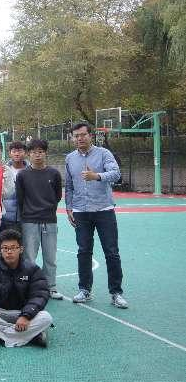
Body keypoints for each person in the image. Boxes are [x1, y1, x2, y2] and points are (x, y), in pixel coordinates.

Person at [64, 122, 128, 308]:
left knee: (111, 252)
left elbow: (116, 174)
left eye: (83, 134)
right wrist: (69, 207)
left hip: (104, 210)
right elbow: (69, 186)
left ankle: (116, 293)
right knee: (83, 251)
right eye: (76, 136)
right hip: (80, 211)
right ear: (72, 138)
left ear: (90, 136)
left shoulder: (103, 154)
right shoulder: (70, 158)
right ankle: (84, 290)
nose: (80, 138)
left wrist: (97, 176)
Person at [0, 229, 53, 347]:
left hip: (23, 313)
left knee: (46, 317)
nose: (9, 252)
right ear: (0, 250)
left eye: (13, 248)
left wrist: (26, 316)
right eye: (5, 248)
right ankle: (32, 336)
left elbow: (39, 295)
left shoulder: (33, 269)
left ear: (21, 249)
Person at [16, 139, 64, 300]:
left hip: (49, 220)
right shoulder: (22, 175)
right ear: (28, 154)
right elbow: (20, 198)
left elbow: (57, 196)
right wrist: (28, 213)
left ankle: (51, 286)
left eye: (41, 151)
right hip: (29, 221)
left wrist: (47, 209)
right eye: (34, 152)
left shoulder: (54, 174)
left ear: (45, 153)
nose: (37, 155)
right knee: (29, 257)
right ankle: (30, 287)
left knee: (50, 257)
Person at [1, 141, 28, 233]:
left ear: (25, 153)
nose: (17, 154)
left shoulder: (31, 170)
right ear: (10, 153)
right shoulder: (3, 170)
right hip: (6, 218)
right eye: (14, 151)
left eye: (20, 151)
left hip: (26, 217)